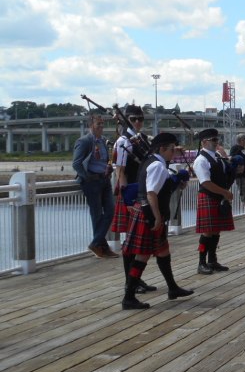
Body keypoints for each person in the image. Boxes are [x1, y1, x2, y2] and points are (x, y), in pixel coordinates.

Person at [121, 132, 193, 309]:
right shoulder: (157, 166)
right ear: (162, 149)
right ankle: (128, 297)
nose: (174, 153)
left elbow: (160, 188)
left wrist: (176, 182)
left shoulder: (153, 161)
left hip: (146, 211)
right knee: (142, 256)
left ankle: (173, 288)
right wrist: (157, 217)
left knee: (163, 252)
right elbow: (151, 194)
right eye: (171, 149)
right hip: (149, 214)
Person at [111, 105, 156, 292]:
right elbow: (120, 171)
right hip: (130, 194)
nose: (138, 122)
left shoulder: (141, 139)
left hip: (141, 191)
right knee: (130, 241)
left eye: (140, 119)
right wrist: (127, 199)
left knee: (138, 241)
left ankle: (136, 279)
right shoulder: (122, 142)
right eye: (133, 119)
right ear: (126, 120)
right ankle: (129, 282)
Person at [72, 114, 118, 259]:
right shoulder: (84, 141)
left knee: (110, 210)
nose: (101, 127)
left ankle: (96, 243)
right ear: (90, 125)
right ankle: (102, 247)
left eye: (102, 124)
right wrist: (87, 177)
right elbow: (76, 163)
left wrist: (108, 168)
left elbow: (106, 159)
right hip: (92, 182)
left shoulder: (103, 141)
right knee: (97, 215)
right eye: (98, 124)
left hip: (104, 180)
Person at [193, 128, 235, 275]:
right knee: (207, 232)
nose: (217, 142)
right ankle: (201, 262)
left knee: (216, 230)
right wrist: (225, 192)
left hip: (218, 197)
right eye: (214, 140)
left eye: (217, 139)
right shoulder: (201, 160)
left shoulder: (217, 156)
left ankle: (212, 260)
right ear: (204, 142)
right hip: (209, 196)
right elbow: (206, 182)